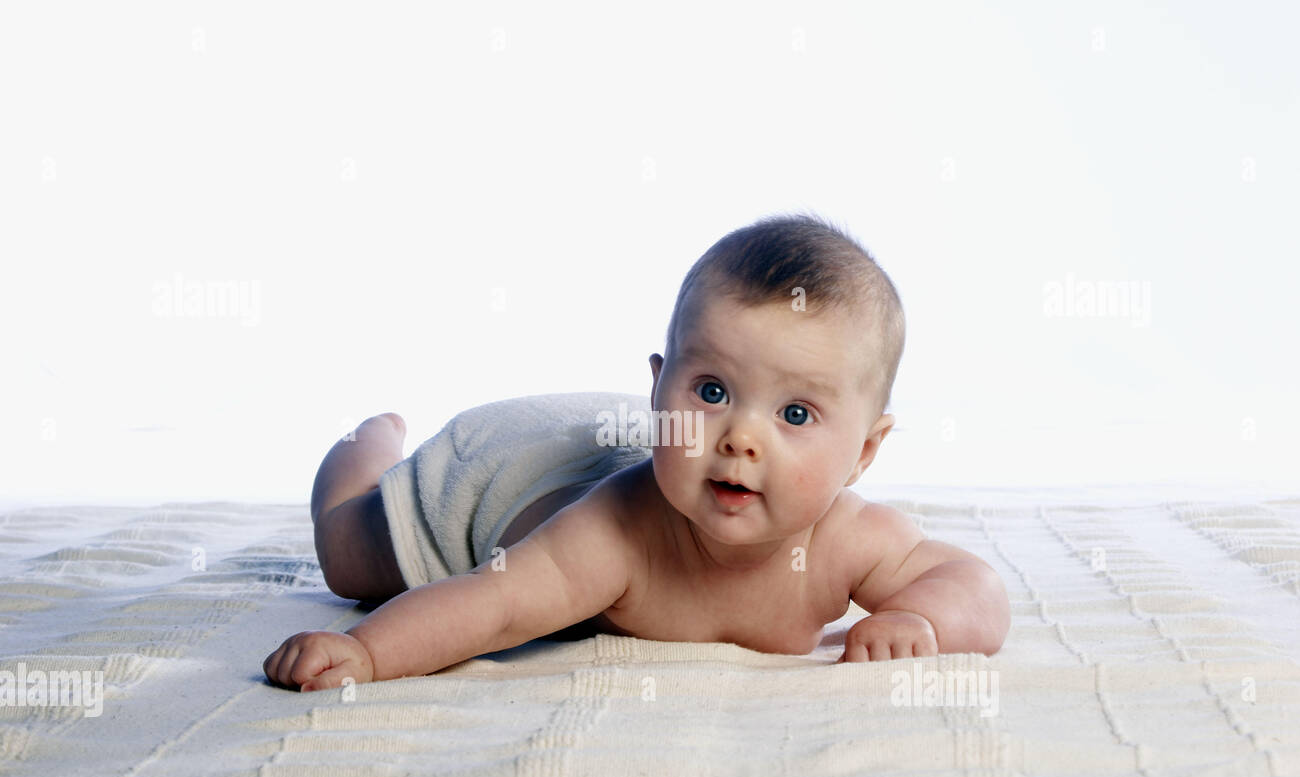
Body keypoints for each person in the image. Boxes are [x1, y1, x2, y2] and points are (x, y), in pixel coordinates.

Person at [264, 212, 1010, 692]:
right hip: (502, 472)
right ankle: (366, 446)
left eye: (794, 412)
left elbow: (974, 584)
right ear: (661, 391)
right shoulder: (617, 533)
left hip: (613, 437)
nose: (740, 438)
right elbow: (493, 606)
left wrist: (925, 620)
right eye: (711, 390)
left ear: (864, 453)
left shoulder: (848, 538)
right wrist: (364, 653)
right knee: (349, 556)